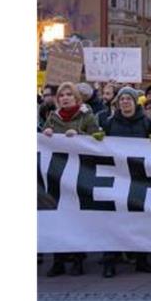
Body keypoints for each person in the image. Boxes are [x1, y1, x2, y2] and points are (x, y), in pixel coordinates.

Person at [41, 82, 99, 278]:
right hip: (56, 174)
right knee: (57, 215)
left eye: (69, 95)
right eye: (61, 95)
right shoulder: (52, 118)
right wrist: (46, 134)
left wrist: (80, 136)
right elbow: (43, 142)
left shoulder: (87, 116)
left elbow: (97, 140)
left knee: (76, 216)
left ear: (76, 98)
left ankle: (77, 259)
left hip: (79, 173)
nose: (65, 98)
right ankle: (58, 261)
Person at [99, 86, 151, 277]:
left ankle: (142, 259)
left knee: (140, 219)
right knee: (113, 220)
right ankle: (110, 261)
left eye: (128, 99)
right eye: (121, 99)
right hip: (116, 177)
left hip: (139, 178)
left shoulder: (147, 123)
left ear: (134, 102)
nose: (125, 102)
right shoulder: (108, 123)